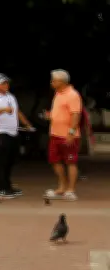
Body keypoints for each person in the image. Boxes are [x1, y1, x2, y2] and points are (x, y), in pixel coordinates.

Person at [0, 74, 34, 199]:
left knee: (10, 161)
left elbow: (17, 111)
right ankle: (0, 187)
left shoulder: (10, 96)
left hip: (13, 132)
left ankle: (8, 185)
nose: (6, 85)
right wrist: (3, 109)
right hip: (1, 132)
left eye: (7, 83)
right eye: (3, 83)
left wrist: (27, 124)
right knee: (1, 161)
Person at [44, 69, 82, 201]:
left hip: (68, 135)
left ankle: (71, 190)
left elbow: (76, 114)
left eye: (53, 80)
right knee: (55, 160)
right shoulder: (58, 94)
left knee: (71, 161)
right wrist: (51, 116)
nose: (51, 82)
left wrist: (71, 132)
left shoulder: (72, 95)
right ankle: (62, 186)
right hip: (55, 134)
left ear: (61, 82)